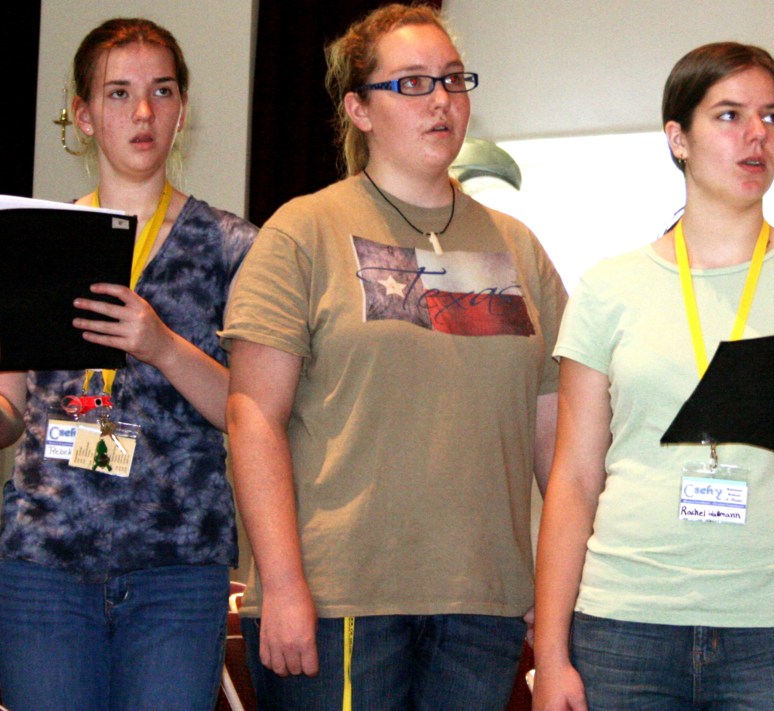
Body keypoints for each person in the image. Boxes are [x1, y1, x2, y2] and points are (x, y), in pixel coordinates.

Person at [220, 3, 567, 709]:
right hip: (339, 601)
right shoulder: (303, 232)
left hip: (483, 607)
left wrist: (557, 585)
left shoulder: (518, 247)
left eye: (452, 79)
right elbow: (251, 416)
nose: (441, 99)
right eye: (411, 83)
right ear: (359, 109)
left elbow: (558, 438)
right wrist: (281, 585)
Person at [532, 42, 774, 711]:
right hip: (625, 622)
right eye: (729, 115)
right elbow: (573, 479)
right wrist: (550, 655)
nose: (757, 135)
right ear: (678, 139)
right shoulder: (609, 287)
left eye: (771, 116)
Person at [0, 18, 256, 711]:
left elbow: (252, 411)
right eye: (118, 93)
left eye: (162, 91)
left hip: (179, 568)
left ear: (182, 109)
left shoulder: (232, 246)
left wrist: (162, 345)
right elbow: (3, 420)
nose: (143, 111)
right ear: (84, 115)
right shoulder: (36, 240)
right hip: (47, 563)